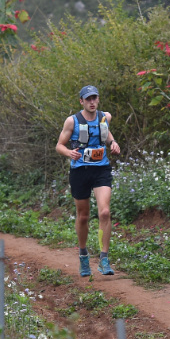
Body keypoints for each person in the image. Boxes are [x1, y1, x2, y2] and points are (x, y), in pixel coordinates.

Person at [55, 85, 121, 276]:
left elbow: (106, 133)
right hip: (80, 171)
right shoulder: (72, 121)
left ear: (98, 100)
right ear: (81, 101)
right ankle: (83, 256)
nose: (92, 102)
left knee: (105, 212)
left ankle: (104, 258)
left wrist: (113, 143)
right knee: (83, 216)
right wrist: (69, 152)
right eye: (88, 99)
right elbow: (59, 145)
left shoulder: (105, 117)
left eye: (95, 98)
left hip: (101, 169)